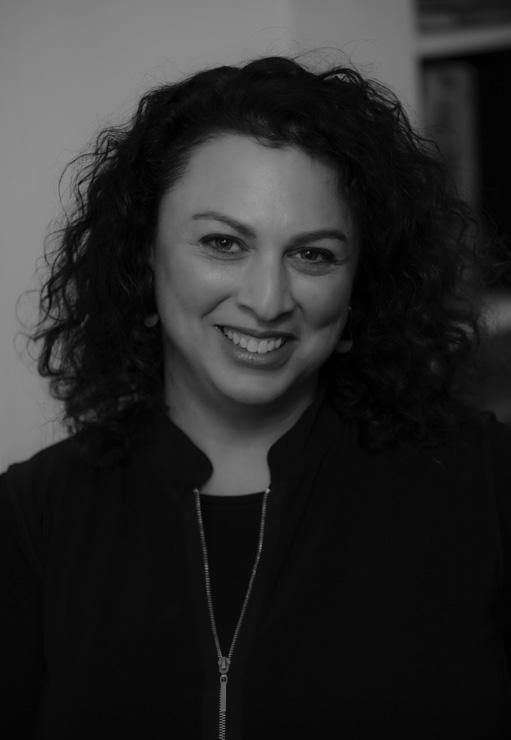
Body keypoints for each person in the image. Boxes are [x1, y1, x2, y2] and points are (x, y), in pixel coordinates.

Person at [1, 52, 511, 740]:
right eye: (223, 243)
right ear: (143, 255)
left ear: (361, 283)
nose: (268, 300)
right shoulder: (32, 519)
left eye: (313, 254)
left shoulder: (484, 481)